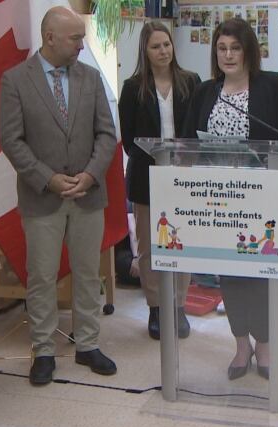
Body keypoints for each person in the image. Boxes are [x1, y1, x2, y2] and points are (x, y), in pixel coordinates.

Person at [0, 6, 118, 385]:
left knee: (86, 273)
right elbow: (11, 141)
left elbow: (106, 134)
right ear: (50, 37)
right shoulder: (16, 80)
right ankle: (44, 351)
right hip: (42, 196)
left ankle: (88, 344)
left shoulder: (91, 78)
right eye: (75, 38)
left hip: (87, 194)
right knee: (42, 277)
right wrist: (47, 178)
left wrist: (91, 174)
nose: (82, 45)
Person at [183, 18, 278, 379]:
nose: (228, 55)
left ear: (249, 50)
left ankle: (266, 346)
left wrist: (275, 159)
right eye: (221, 49)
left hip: (265, 200)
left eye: (235, 48)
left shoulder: (274, 86)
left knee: (264, 274)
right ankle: (241, 345)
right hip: (221, 203)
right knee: (233, 276)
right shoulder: (205, 92)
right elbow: (188, 146)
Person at [119, 21, 201, 340]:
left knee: (182, 243)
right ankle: (156, 308)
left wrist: (183, 158)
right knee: (150, 248)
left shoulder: (191, 82)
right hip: (146, 178)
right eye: (156, 46)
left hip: (184, 178)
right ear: (146, 51)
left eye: (166, 44)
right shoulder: (133, 87)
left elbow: (197, 132)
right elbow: (129, 142)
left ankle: (178, 306)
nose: (163, 51)